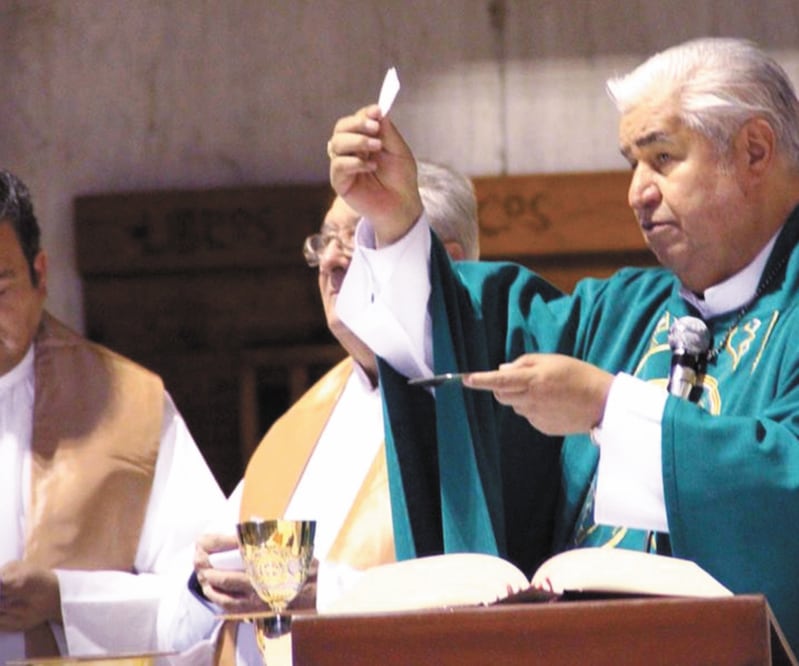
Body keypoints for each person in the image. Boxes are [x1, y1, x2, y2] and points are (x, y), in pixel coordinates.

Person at [327, 37, 799, 653]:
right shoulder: (624, 312)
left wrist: (610, 409)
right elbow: (464, 337)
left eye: (662, 157)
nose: (637, 192)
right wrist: (394, 224)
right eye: (632, 162)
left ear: (755, 150)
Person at [157, 161, 481, 664]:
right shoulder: (304, 421)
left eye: (359, 236)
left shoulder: (480, 412)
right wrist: (207, 581)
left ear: (446, 263)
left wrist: (326, 593)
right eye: (326, 239)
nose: (331, 259)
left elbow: (490, 593)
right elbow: (180, 628)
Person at [0, 169, 226, 661]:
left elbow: (201, 598)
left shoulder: (129, 407)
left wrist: (66, 599)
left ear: (40, 275)